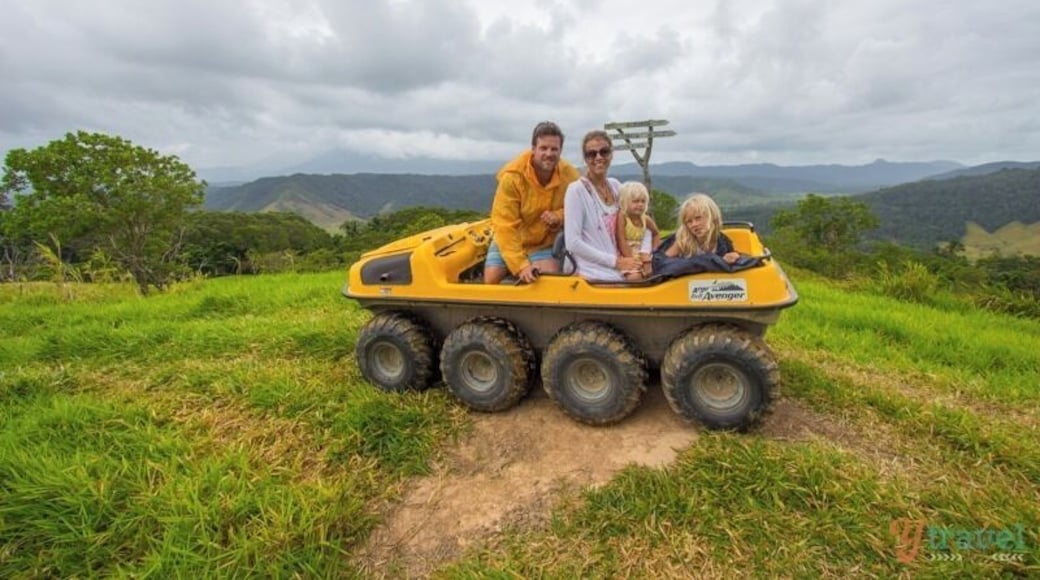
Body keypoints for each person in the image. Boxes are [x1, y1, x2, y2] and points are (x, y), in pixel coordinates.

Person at [484, 121, 581, 284]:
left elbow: (580, 207)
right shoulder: (513, 177)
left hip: (544, 241)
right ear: (533, 149)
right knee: (491, 280)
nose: (549, 153)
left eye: (554, 149)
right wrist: (520, 266)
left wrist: (559, 216)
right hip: (513, 239)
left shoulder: (569, 174)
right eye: (543, 148)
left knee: (548, 280)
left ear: (560, 151)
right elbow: (504, 224)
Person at [563, 130, 643, 281]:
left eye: (604, 152)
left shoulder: (616, 187)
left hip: (621, 261)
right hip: (592, 267)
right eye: (591, 154)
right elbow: (573, 243)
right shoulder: (576, 191)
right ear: (585, 158)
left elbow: (636, 219)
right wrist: (615, 262)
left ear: (611, 155)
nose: (598, 157)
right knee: (637, 283)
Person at [664, 193, 740, 263]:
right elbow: (663, 262)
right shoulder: (683, 241)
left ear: (712, 217)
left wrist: (734, 257)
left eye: (698, 218)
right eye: (689, 221)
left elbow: (734, 259)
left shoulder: (723, 242)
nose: (694, 224)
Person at [614, 181, 660, 280]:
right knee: (634, 277)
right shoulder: (623, 216)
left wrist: (653, 252)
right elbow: (621, 239)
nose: (640, 204)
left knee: (657, 273)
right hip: (626, 256)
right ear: (625, 202)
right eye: (635, 201)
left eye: (643, 201)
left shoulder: (645, 219)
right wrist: (632, 260)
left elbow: (656, 234)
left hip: (642, 255)